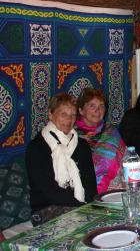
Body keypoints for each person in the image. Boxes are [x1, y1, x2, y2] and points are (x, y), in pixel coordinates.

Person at [26, 93, 97, 226]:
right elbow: (49, 190)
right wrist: (81, 206)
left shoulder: (81, 146)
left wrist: (90, 206)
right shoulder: (37, 148)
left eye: (73, 115)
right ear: (51, 115)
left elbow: (90, 183)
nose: (69, 120)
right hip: (46, 209)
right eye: (63, 114)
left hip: (81, 206)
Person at [75, 88, 126, 194]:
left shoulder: (111, 132)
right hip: (82, 191)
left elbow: (126, 159)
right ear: (80, 110)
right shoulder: (72, 135)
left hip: (115, 188)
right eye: (92, 106)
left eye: (101, 106)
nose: (98, 110)